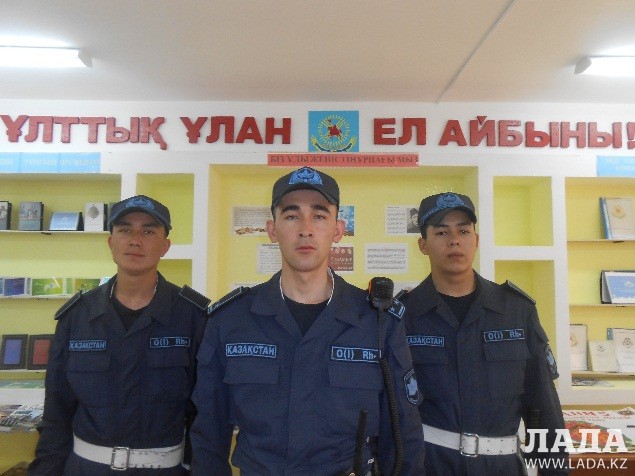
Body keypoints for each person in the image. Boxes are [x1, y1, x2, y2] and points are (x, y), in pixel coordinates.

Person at [190, 166, 425, 475]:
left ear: (338, 230)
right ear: (272, 230)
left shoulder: (378, 322)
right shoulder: (230, 321)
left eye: (319, 215)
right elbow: (208, 434)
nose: (305, 229)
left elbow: (403, 434)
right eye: (291, 215)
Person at [29, 195, 210, 475]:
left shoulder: (193, 316)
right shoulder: (77, 316)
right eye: (125, 230)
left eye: (148, 232)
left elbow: (205, 412)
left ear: (165, 246)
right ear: (111, 242)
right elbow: (57, 410)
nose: (135, 240)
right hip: (86, 469)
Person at [400, 192, 568, 475]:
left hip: (501, 466)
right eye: (441, 232)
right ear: (423, 245)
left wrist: (555, 470)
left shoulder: (516, 311)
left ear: (476, 240)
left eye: (463, 231)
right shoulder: (404, 315)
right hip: (430, 465)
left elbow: (543, 405)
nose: (454, 241)